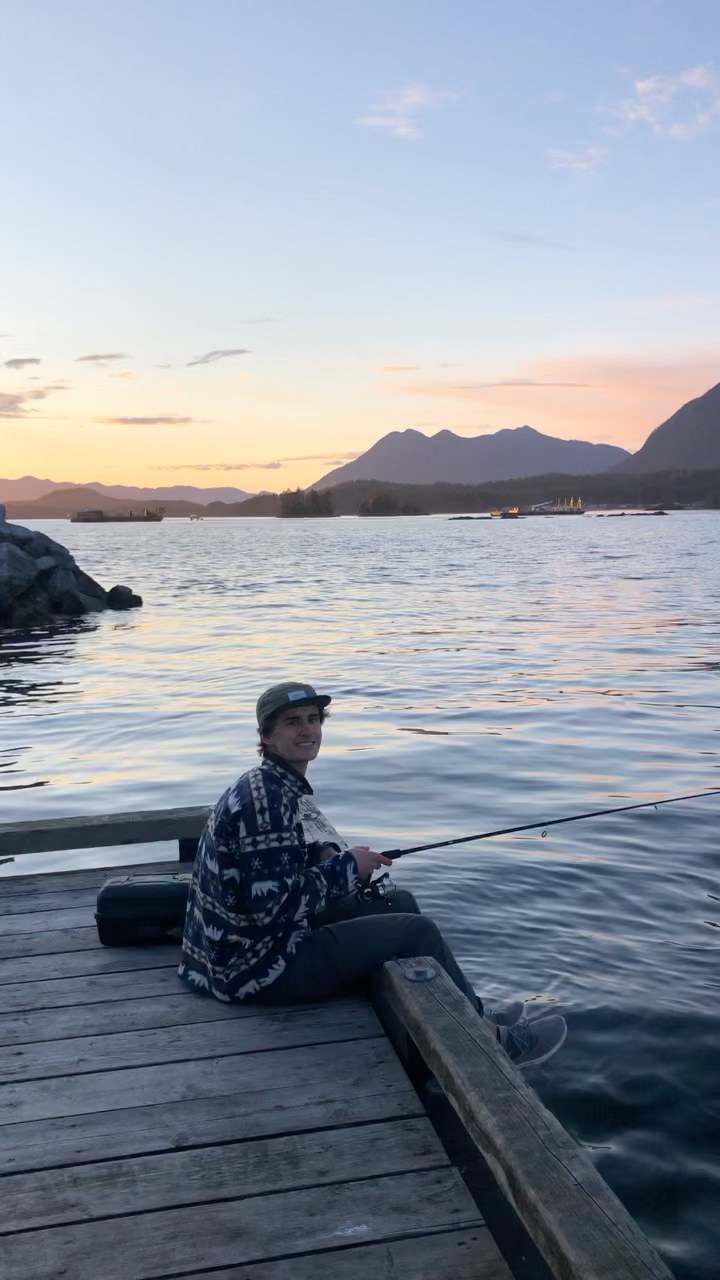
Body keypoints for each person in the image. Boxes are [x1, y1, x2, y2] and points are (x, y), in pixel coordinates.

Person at [179, 681, 567, 1069]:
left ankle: (477, 1015)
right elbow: (272, 907)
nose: (308, 730)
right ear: (267, 734)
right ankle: (492, 1044)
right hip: (257, 971)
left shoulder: (265, 784)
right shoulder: (267, 804)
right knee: (417, 931)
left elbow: (267, 867)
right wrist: (347, 868)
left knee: (399, 902)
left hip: (235, 953)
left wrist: (325, 855)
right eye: (293, 722)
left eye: (313, 720)